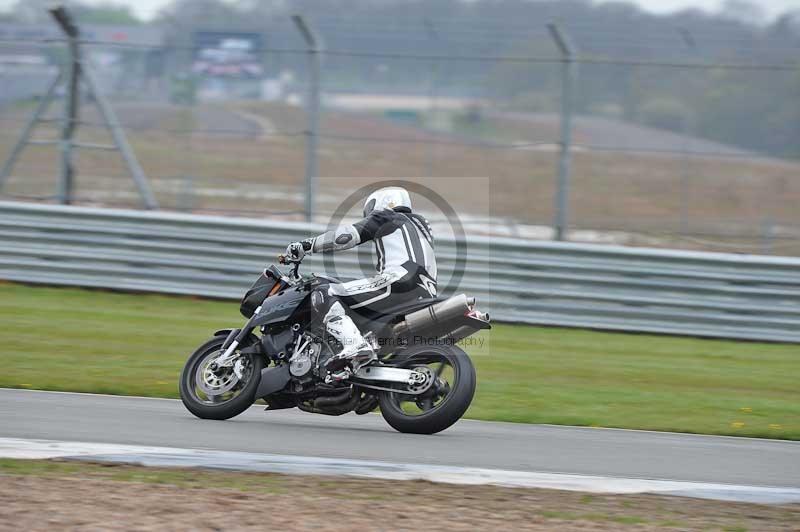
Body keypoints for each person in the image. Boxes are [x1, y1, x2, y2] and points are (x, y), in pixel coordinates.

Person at [285, 186, 437, 382]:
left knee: (324, 292)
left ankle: (355, 345)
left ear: (383, 201)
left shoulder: (387, 217)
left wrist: (307, 245)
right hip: (426, 292)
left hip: (400, 281)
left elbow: (346, 236)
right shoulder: (422, 225)